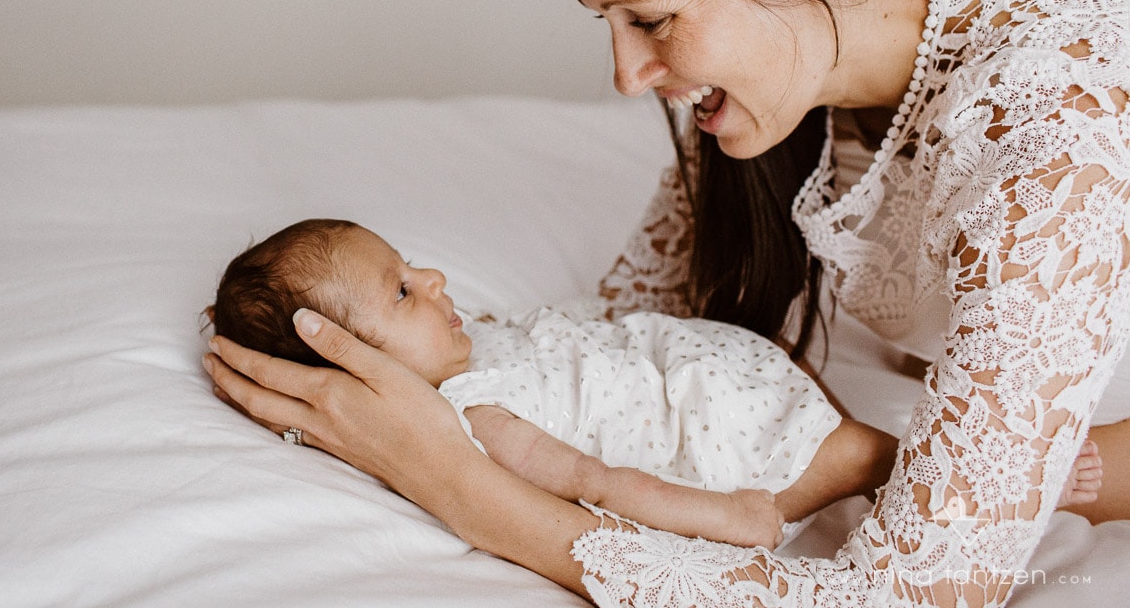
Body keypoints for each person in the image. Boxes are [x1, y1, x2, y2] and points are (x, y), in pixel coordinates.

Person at [204, 0, 1130, 605]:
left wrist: (466, 490)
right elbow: (627, 335)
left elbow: (911, 595)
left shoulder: (1051, 138)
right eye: (605, 21)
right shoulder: (798, 40)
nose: (625, 76)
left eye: (649, 19)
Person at [206, 217, 908, 547]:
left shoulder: (465, 346)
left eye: (411, 264)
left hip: (701, 368)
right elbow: (598, 482)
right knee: (866, 454)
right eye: (401, 293)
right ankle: (903, 468)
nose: (433, 280)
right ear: (365, 368)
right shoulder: (478, 419)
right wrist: (732, 517)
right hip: (717, 435)